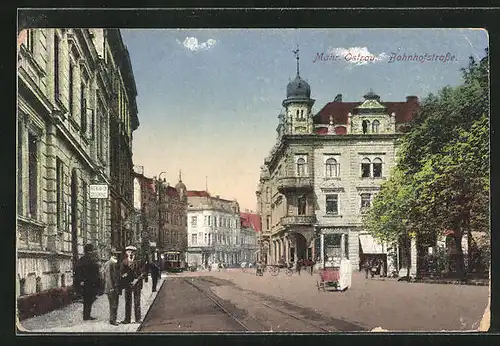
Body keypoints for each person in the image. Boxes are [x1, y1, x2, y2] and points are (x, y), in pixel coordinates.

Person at [74, 243, 102, 321]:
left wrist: (80, 281)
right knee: (89, 300)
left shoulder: (82, 259)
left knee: (87, 300)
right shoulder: (90, 259)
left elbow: (77, 271)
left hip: (86, 283)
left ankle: (86, 315)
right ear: (90, 251)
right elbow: (95, 272)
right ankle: (86, 316)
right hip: (89, 283)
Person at [120, 245, 144, 324]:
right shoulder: (124, 262)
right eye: (129, 252)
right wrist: (123, 275)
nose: (131, 253)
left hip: (137, 284)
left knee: (137, 302)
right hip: (128, 284)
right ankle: (127, 319)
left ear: (135, 253)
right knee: (128, 302)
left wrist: (136, 280)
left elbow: (142, 273)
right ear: (126, 252)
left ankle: (138, 319)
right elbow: (121, 273)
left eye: (132, 252)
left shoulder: (139, 261)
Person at [102, 248, 122, 326]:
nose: (117, 255)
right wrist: (111, 288)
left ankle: (113, 319)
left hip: (114, 287)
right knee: (113, 304)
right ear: (112, 254)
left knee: (115, 304)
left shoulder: (114, 262)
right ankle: (112, 320)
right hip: (112, 288)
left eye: (118, 254)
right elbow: (108, 277)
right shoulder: (110, 263)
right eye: (116, 254)